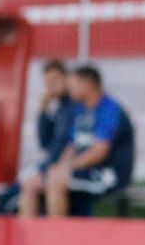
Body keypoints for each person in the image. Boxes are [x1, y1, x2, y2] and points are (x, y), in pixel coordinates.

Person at [21, 65, 134, 218]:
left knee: (56, 182)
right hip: (84, 170)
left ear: (87, 85)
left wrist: (67, 168)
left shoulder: (109, 110)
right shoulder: (81, 112)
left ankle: (57, 237)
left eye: (73, 84)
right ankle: (30, 239)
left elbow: (98, 152)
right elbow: (72, 146)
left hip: (108, 175)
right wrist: (57, 167)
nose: (69, 88)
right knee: (31, 184)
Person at [0, 60, 77, 214]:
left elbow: (68, 143)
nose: (52, 86)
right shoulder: (59, 109)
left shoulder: (76, 106)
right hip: (52, 166)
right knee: (14, 193)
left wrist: (50, 167)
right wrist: (43, 109)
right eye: (48, 82)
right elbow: (44, 142)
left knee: (37, 185)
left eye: (55, 80)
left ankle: (54, 234)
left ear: (67, 79)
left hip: (65, 167)